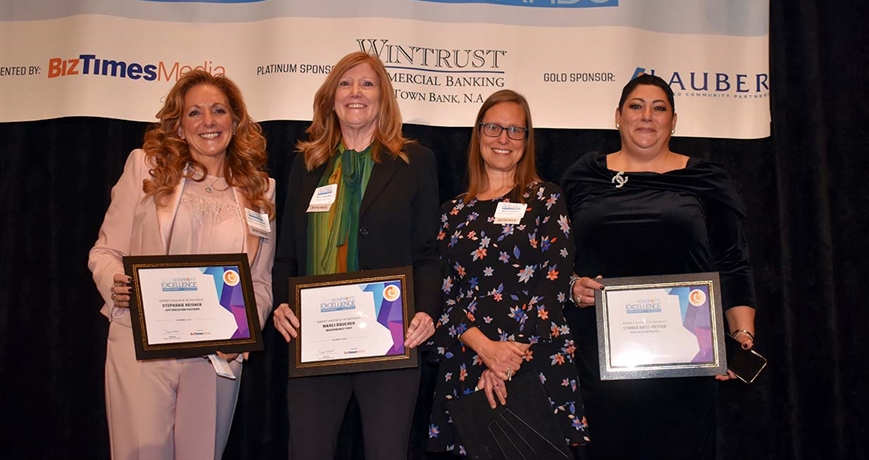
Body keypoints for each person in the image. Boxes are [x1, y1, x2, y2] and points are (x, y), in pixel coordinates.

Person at [561, 74, 758, 459]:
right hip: (601, 360)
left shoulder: (705, 179)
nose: (646, 116)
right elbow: (554, 260)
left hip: (687, 358)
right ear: (617, 116)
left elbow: (733, 261)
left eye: (659, 108)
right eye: (636, 106)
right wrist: (573, 286)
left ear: (674, 120)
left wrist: (740, 336)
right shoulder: (583, 177)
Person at [87, 69, 276, 459]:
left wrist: (241, 334)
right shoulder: (146, 168)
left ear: (236, 121)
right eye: (195, 112)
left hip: (214, 358)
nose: (208, 121)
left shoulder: (261, 189)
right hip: (142, 346)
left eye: (219, 110)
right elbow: (105, 252)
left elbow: (259, 283)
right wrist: (115, 282)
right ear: (178, 123)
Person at [271, 51, 441, 460]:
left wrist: (427, 310)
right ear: (331, 98)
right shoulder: (306, 164)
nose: (355, 93)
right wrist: (279, 302)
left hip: (388, 334)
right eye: (345, 84)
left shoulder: (415, 161)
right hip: (315, 336)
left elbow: (428, 251)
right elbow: (287, 254)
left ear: (383, 96)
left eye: (367, 84)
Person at [427, 89, 591, 455]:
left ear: (527, 141)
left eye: (515, 131)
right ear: (477, 134)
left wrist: (505, 361)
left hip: (536, 360)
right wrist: (486, 350)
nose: (503, 139)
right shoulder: (451, 212)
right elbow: (440, 293)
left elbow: (554, 279)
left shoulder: (547, 199)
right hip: (468, 360)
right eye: (494, 128)